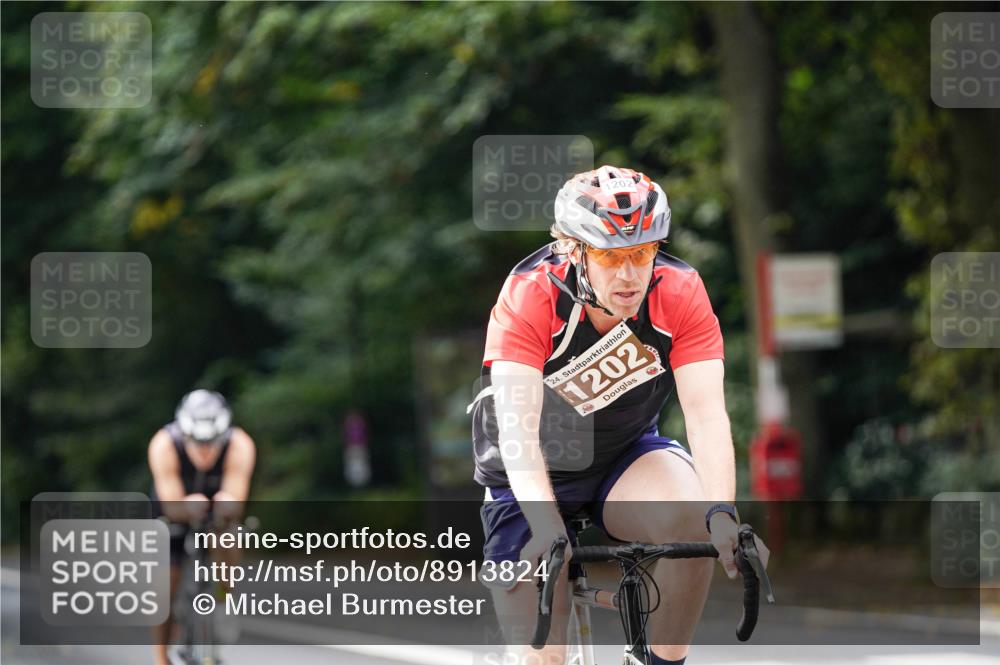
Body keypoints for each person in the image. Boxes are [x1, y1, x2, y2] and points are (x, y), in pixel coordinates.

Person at [470, 165, 769, 665]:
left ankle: (657, 661)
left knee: (694, 522)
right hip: (527, 470)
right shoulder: (530, 294)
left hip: (623, 455)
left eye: (641, 253)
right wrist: (546, 526)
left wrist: (722, 515)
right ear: (573, 250)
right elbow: (519, 428)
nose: (629, 274)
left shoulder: (679, 291)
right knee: (544, 656)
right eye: (610, 257)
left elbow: (707, 416)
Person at [148, 389, 256, 665]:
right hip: (171, 513)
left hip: (216, 515)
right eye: (198, 443)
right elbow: (170, 503)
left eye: (212, 444)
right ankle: (161, 658)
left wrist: (227, 505)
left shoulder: (240, 444)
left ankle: (223, 599)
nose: (205, 452)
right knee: (165, 586)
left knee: (230, 535)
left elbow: (236, 496)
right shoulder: (163, 444)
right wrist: (184, 507)